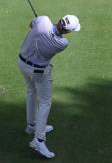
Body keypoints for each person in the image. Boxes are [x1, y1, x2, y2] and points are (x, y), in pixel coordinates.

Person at [18, 14, 81, 159]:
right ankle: (38, 140)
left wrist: (39, 22)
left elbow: (31, 24)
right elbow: (51, 34)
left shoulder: (43, 21)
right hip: (39, 71)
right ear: (68, 32)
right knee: (45, 102)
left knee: (31, 91)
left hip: (22, 63)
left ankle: (31, 125)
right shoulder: (63, 43)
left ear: (60, 19)